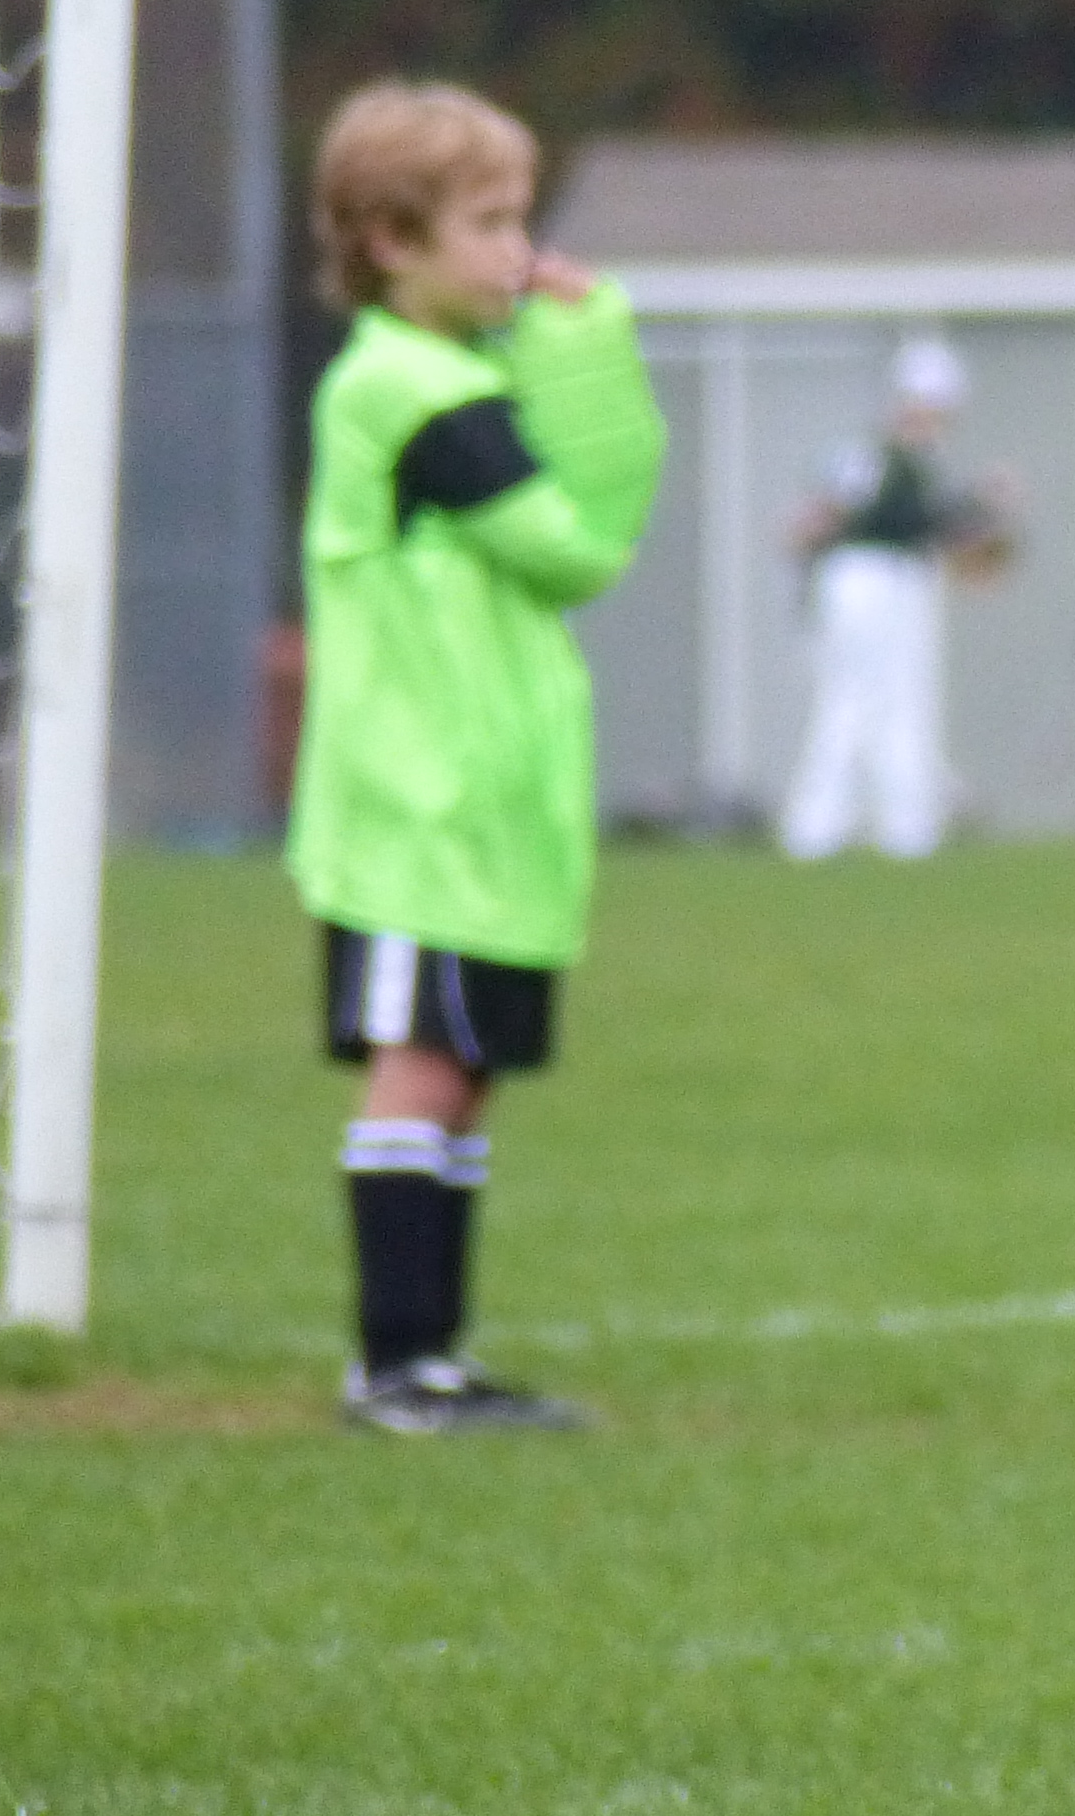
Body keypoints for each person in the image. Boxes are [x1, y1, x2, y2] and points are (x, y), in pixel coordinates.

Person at [287, 79, 665, 1435]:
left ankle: (431, 1359)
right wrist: (588, 350)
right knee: (423, 1066)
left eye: (521, 218)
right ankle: (395, 1366)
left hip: (483, 807)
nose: (520, 252)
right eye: (489, 223)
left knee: (466, 1073)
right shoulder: (411, 392)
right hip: (419, 804)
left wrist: (566, 353)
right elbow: (578, 545)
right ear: (392, 242)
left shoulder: (457, 380)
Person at [778, 336, 1012, 861]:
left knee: (899, 703)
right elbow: (870, 520)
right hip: (870, 580)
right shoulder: (879, 460)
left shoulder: (901, 462)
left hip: (894, 581)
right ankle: (819, 828)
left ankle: (901, 827)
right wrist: (979, 506)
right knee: (855, 701)